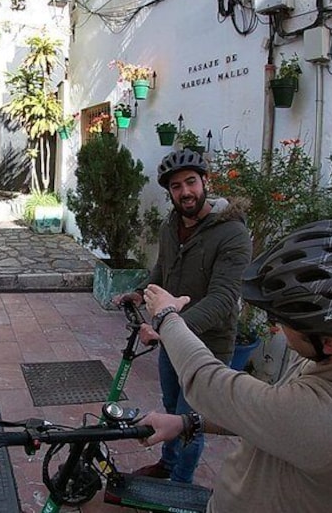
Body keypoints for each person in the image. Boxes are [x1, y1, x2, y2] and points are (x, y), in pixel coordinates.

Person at [138, 219, 332, 512]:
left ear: (329, 342)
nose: (276, 325)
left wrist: (166, 316)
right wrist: (188, 423)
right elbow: (268, 417)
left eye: (281, 320)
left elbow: (207, 382)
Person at [114, 149, 252, 483]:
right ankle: (167, 464)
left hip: (208, 347)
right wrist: (140, 290)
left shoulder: (232, 234)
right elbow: (163, 270)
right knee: (171, 404)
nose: (185, 192)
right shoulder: (171, 224)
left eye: (191, 182)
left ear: (206, 181)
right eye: (176, 186)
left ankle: (181, 484)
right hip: (170, 341)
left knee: (191, 420)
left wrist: (165, 325)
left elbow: (222, 299)